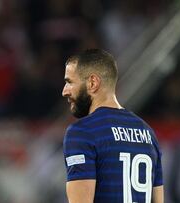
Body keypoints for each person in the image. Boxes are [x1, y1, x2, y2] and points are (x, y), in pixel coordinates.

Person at [62, 49, 164, 203]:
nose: (65, 91)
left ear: (92, 83)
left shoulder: (82, 132)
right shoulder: (147, 133)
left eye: (69, 82)